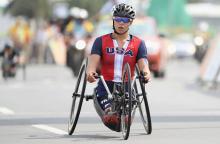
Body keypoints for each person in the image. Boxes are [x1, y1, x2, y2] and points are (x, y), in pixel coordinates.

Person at [86, 3, 151, 131]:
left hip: (127, 85)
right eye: (118, 19)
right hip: (106, 86)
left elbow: (144, 64)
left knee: (125, 119)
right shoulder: (100, 41)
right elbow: (92, 63)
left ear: (131, 22)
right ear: (113, 20)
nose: (121, 24)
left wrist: (146, 73)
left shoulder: (138, 43)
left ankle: (123, 114)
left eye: (125, 20)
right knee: (111, 117)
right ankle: (109, 110)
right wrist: (90, 72)